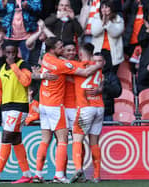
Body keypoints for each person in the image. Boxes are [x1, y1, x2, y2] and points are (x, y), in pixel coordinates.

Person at [33, 37, 102, 183]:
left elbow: (38, 69)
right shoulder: (63, 64)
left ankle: (39, 173)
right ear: (54, 49)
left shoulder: (47, 57)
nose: (66, 51)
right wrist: (99, 65)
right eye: (63, 48)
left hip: (53, 104)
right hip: (60, 106)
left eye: (71, 49)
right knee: (63, 140)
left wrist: (39, 75)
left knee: (70, 140)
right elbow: (84, 72)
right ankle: (60, 174)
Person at [0, 41, 33, 184]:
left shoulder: (23, 65)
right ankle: (27, 174)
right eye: (7, 53)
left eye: (13, 52)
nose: (10, 55)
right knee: (15, 140)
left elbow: (26, 81)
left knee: (6, 136)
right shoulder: (1, 68)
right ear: (3, 52)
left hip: (19, 106)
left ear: (17, 52)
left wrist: (14, 65)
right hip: (6, 108)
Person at [70, 44, 104, 184]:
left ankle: (78, 169)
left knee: (77, 138)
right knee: (94, 142)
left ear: (83, 54)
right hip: (99, 108)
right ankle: (96, 175)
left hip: (86, 108)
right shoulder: (99, 69)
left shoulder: (81, 66)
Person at [91, 0, 124, 74]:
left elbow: (115, 33)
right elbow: (94, 32)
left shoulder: (118, 19)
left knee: (111, 74)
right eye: (102, 7)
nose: (104, 9)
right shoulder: (96, 17)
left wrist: (107, 23)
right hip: (99, 51)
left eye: (107, 7)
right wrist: (102, 23)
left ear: (111, 8)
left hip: (113, 52)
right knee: (99, 74)